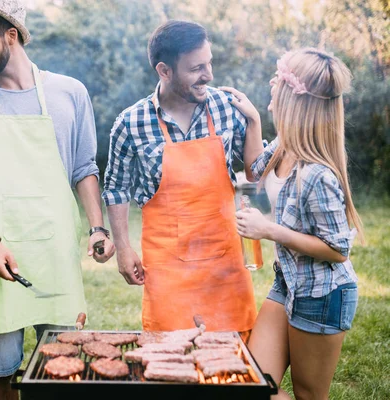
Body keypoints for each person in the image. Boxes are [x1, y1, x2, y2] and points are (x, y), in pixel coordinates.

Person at [0, 1, 115, 398]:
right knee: (3, 374)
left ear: (11, 35)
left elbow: (84, 167)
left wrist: (96, 226)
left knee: (61, 366)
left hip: (56, 256)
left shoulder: (70, 92)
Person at [102, 20, 263, 334]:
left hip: (225, 265)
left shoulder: (227, 108)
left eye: (209, 63)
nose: (209, 75)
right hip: (167, 270)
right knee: (170, 365)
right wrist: (122, 247)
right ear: (164, 71)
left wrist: (254, 123)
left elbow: (254, 174)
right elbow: (116, 188)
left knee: (235, 364)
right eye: (196, 68)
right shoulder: (131, 122)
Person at [234, 48, 364, 400]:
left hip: (322, 294)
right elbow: (254, 171)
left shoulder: (317, 174)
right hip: (289, 281)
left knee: (309, 396)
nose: (272, 85)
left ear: (295, 98)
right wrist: (253, 121)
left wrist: (268, 230)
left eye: (279, 80)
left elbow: (338, 250)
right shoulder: (284, 144)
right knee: (252, 383)